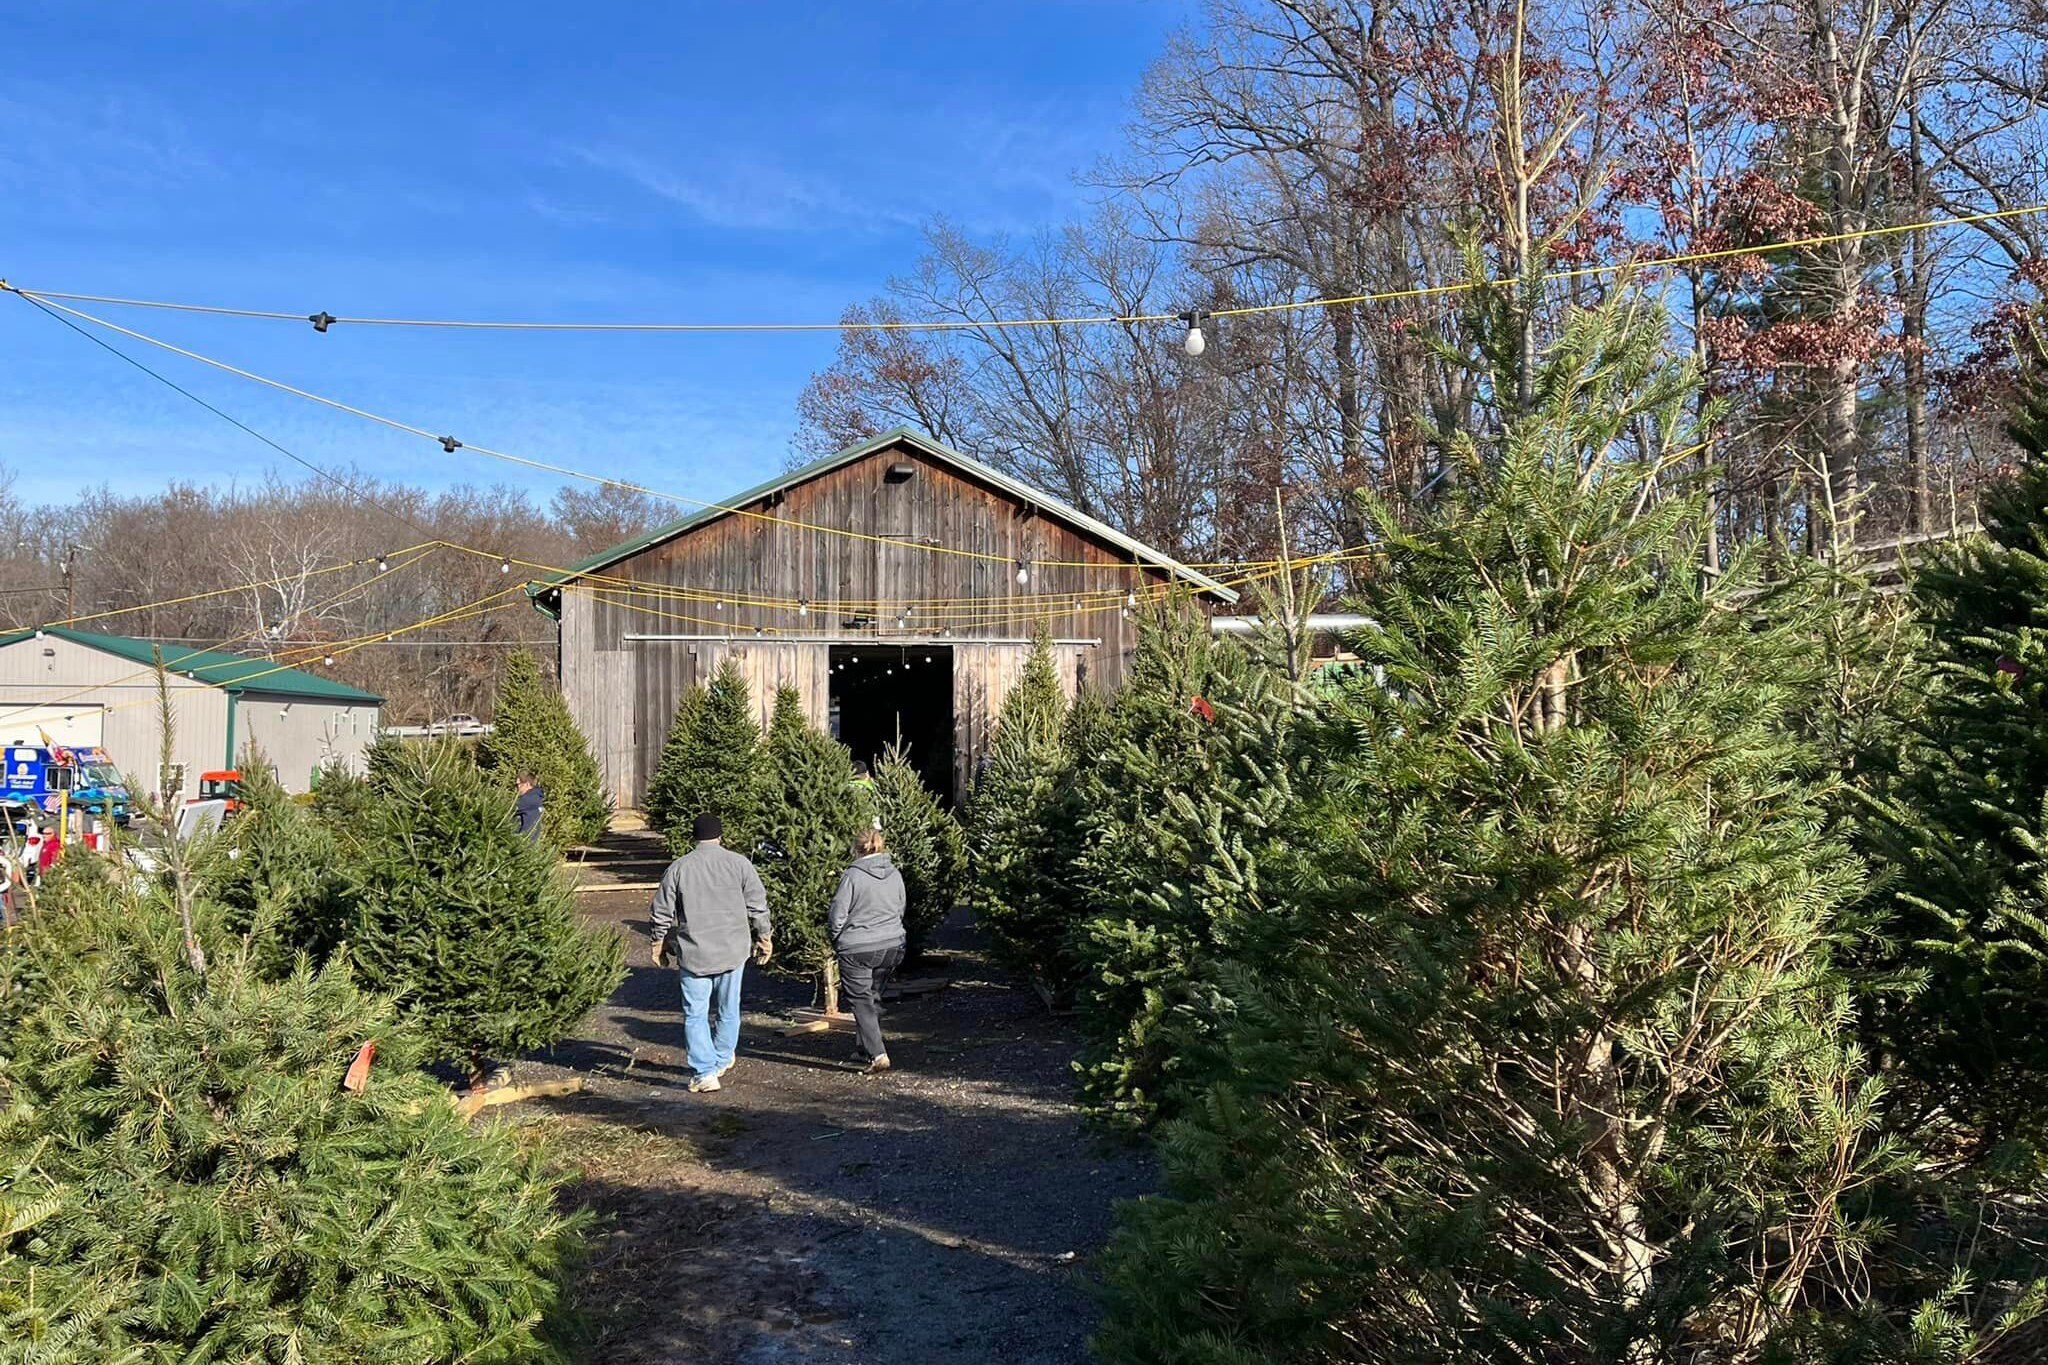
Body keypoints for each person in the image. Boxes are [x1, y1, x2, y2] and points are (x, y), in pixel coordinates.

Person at [649, 813, 771, 1093]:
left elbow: (661, 911)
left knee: (695, 1013)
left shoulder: (679, 868)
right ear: (720, 835)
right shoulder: (739, 864)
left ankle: (704, 1072)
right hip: (733, 949)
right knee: (729, 1008)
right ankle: (723, 1056)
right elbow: (757, 904)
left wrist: (658, 942)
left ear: (694, 836)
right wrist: (764, 936)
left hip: (695, 953)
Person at [829, 827, 908, 1074]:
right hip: (893, 945)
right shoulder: (894, 873)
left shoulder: (852, 875)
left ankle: (878, 1053)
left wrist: (837, 938)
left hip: (858, 947)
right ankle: (863, 1047)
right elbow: (901, 907)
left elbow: (837, 915)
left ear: (856, 848)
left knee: (861, 1000)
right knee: (873, 995)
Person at [513, 771, 545, 843]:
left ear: (527, 784)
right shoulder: (536, 797)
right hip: (527, 842)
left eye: (517, 785)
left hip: (522, 843)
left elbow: (508, 809)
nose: (516, 788)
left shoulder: (528, 800)